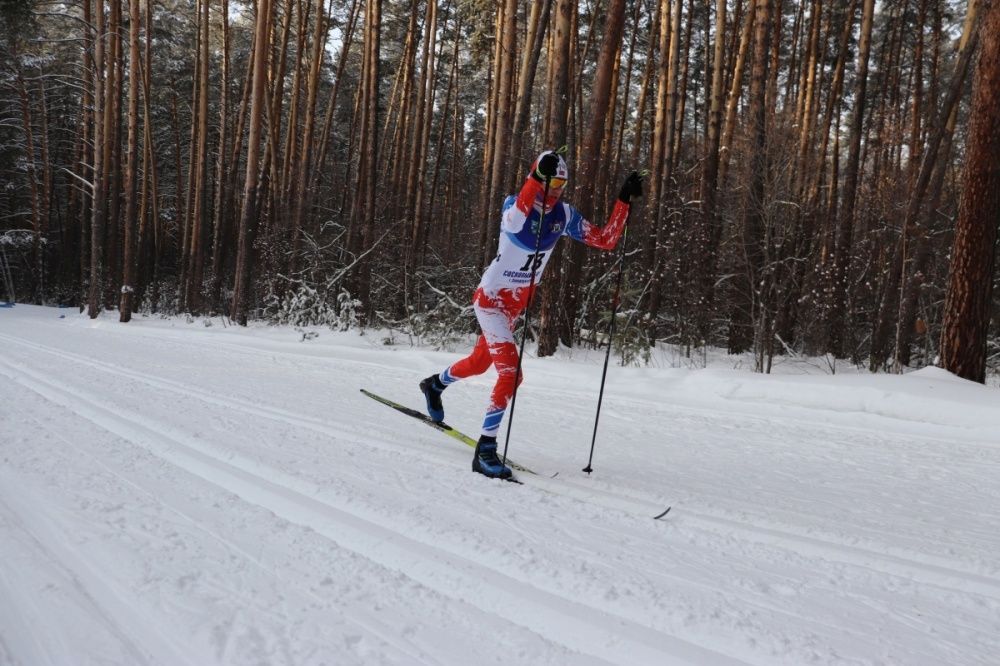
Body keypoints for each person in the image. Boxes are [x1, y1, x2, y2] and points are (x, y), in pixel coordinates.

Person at [420, 150, 643, 479]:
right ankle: (485, 451)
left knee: (481, 362)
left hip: (514, 305)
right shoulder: (515, 206)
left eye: (561, 184)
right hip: (491, 299)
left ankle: (434, 384)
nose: (556, 190)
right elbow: (514, 222)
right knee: (511, 373)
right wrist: (535, 176)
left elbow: (606, 241)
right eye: (551, 182)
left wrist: (623, 200)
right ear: (539, 178)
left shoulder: (564, 215)